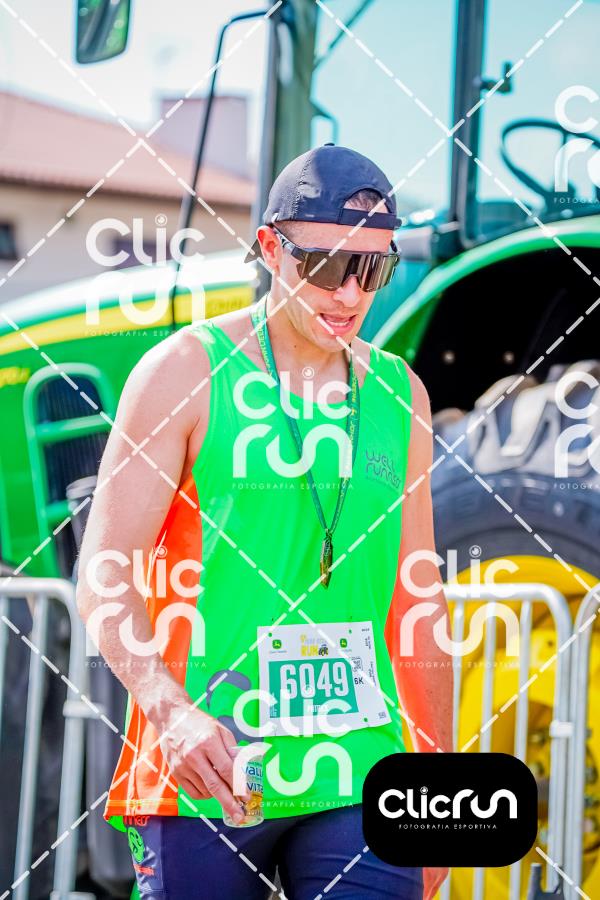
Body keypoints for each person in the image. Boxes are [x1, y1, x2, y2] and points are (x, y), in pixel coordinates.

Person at [76, 144, 453, 900]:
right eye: (327, 266)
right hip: (209, 767)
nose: (350, 293)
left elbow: (417, 593)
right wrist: (170, 713)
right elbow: (105, 570)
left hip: (358, 765)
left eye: (373, 269)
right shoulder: (185, 372)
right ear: (272, 249)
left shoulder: (399, 393)